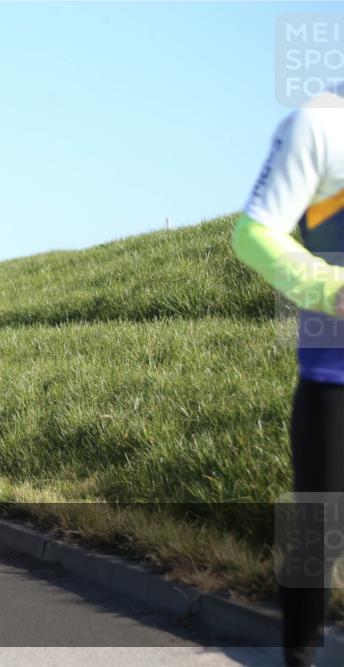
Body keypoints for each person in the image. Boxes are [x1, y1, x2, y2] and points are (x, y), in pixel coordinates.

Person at [231, 84, 343, 667]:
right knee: (318, 529)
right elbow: (254, 234)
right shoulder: (320, 124)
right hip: (335, 373)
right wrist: (333, 288)